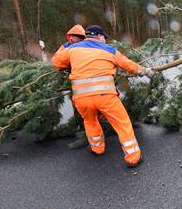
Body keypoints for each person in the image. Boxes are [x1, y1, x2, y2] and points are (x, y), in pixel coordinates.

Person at [52, 24, 154, 167]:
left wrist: (67, 44)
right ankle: (133, 157)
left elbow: (56, 63)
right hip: (105, 97)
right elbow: (129, 65)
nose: (105, 40)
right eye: (104, 38)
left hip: (82, 99)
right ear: (99, 36)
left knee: (90, 121)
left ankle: (97, 148)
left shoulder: (71, 49)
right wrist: (146, 71)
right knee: (122, 123)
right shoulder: (109, 50)